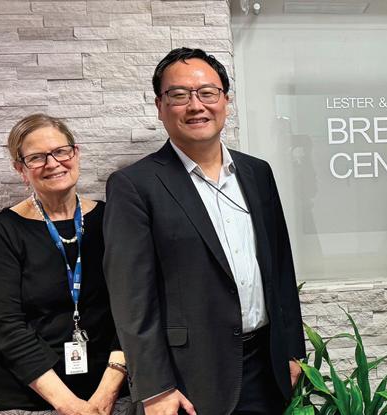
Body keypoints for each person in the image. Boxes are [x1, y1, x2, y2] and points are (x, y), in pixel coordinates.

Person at [103, 47, 305, 415]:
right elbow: (131, 298)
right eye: (179, 95)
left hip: (266, 367)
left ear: (226, 100)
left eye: (207, 93)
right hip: (187, 380)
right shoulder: (135, 185)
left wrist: (292, 351)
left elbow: (280, 267)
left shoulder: (257, 173)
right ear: (160, 105)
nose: (196, 106)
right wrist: (155, 388)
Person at [0, 114, 129, 415]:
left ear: (76, 153)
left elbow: (134, 307)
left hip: (114, 394)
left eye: (61, 151)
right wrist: (70, 406)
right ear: (20, 169)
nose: (52, 163)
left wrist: (107, 393)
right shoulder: (3, 231)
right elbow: (6, 328)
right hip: (30, 401)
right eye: (36, 157)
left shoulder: (112, 219)